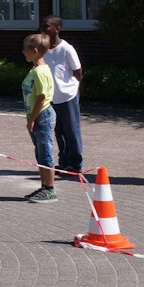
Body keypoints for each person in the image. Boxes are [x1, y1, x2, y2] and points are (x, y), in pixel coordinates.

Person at [41, 16, 84, 175]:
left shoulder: (66, 48)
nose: (43, 29)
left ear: (57, 29)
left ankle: (75, 164)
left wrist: (73, 88)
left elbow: (78, 71)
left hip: (68, 96)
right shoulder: (44, 48)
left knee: (72, 130)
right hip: (52, 96)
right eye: (42, 26)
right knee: (58, 130)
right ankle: (64, 162)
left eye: (47, 26)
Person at [22, 34, 58, 203]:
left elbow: (41, 98)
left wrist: (32, 119)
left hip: (42, 115)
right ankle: (44, 187)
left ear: (35, 51)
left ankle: (50, 189)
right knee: (40, 153)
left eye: (25, 49)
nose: (23, 52)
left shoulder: (40, 72)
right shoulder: (36, 70)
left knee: (45, 154)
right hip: (37, 116)